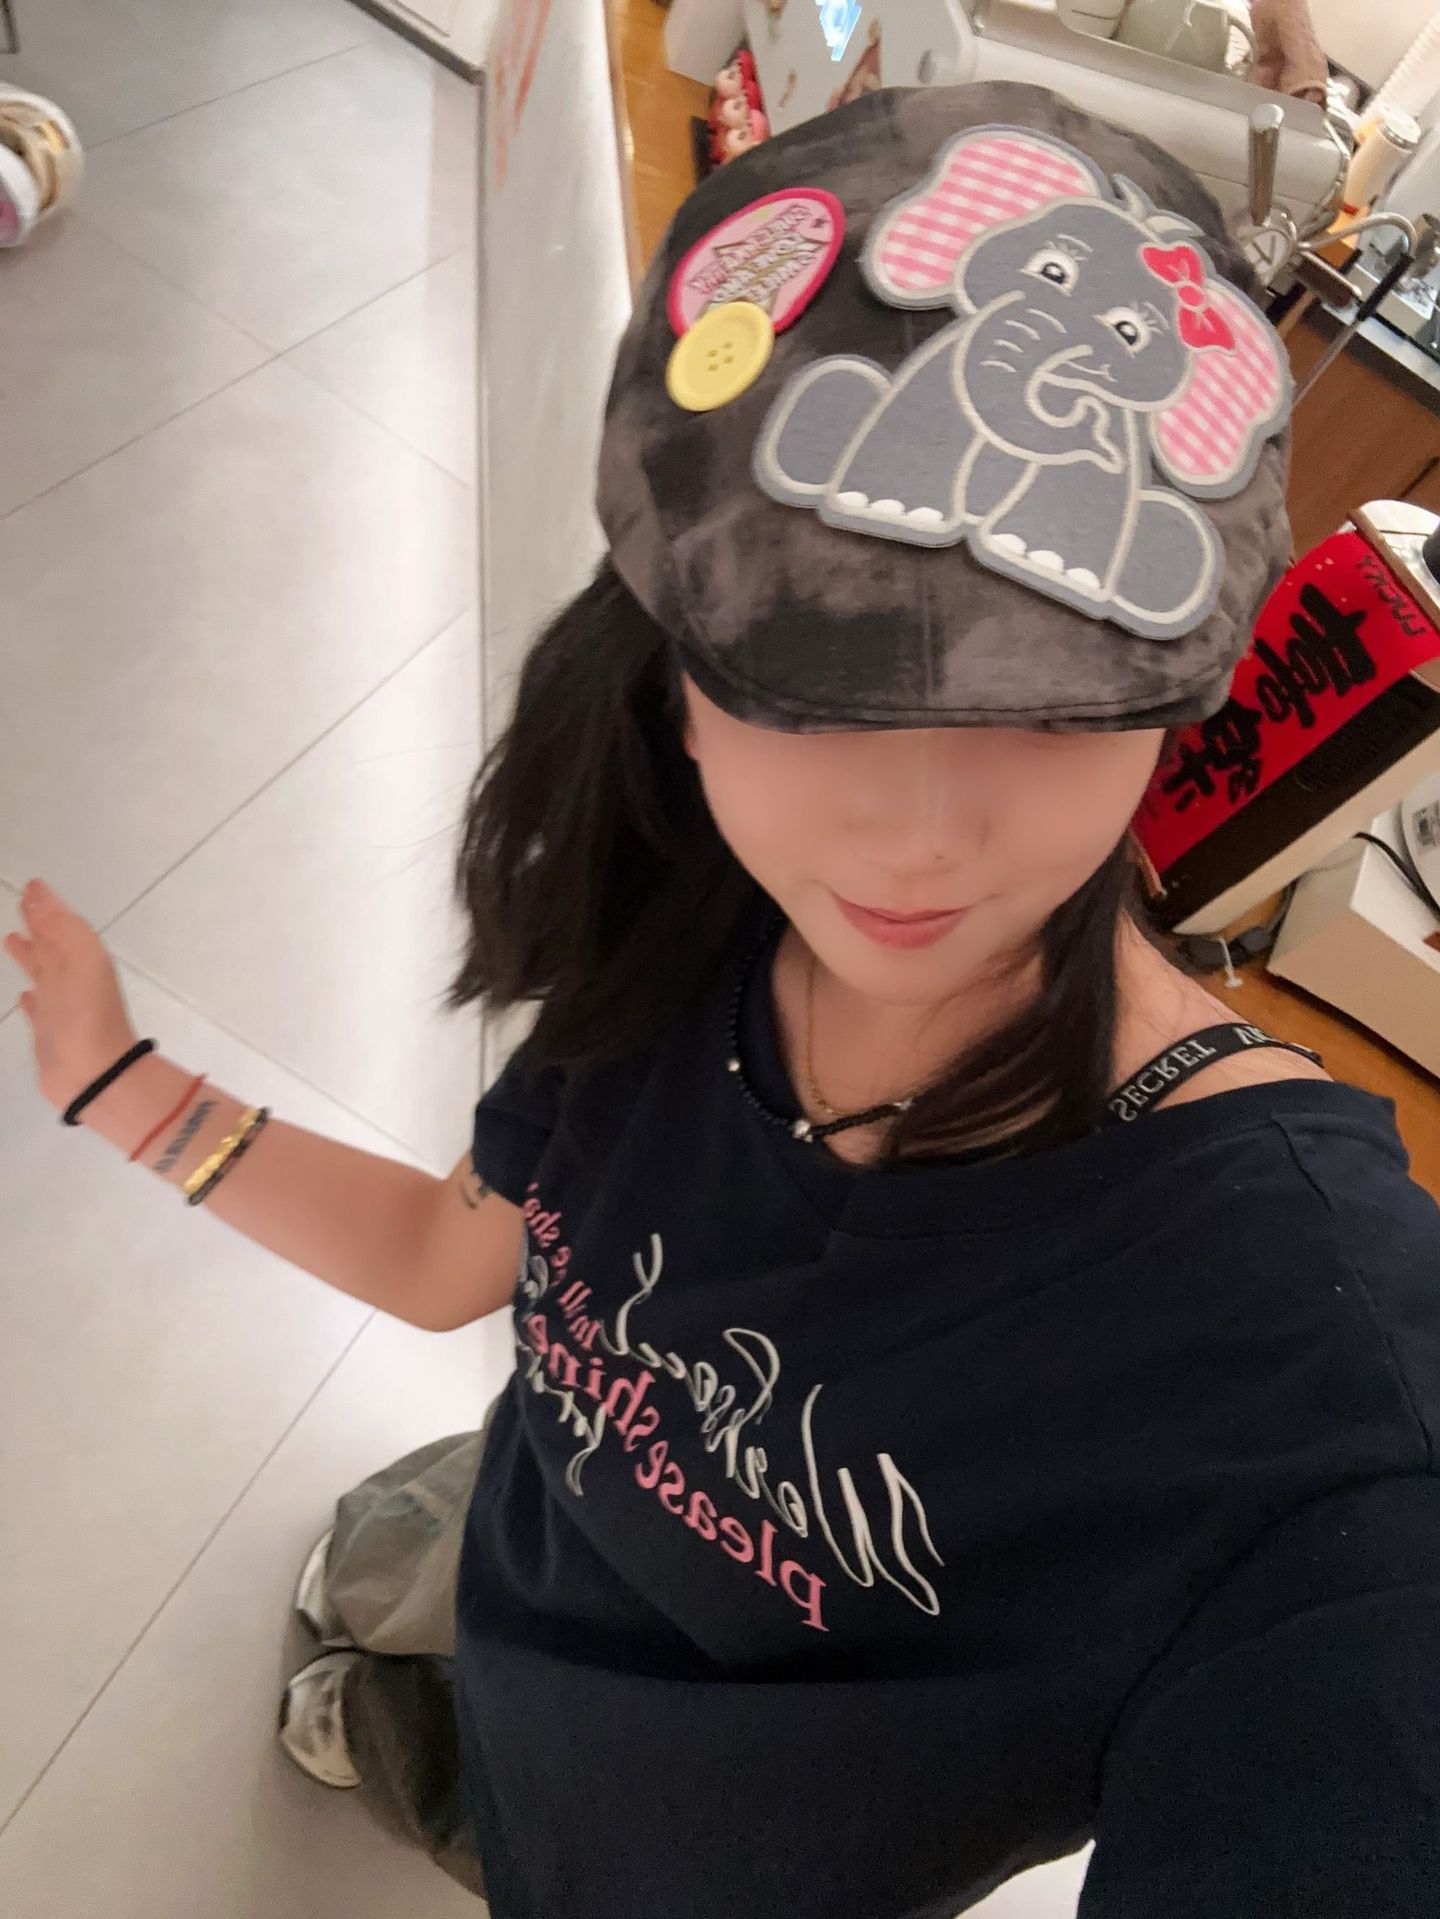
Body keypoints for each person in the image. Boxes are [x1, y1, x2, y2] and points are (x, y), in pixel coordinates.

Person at [8, 82, 1440, 1919]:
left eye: (1053, 701)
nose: (917, 832)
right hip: (518, 1642)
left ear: (1176, 696)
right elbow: (453, 1261)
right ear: (672, 665)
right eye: (817, 678)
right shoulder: (682, 932)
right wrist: (123, 1086)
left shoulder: (1303, 1360)